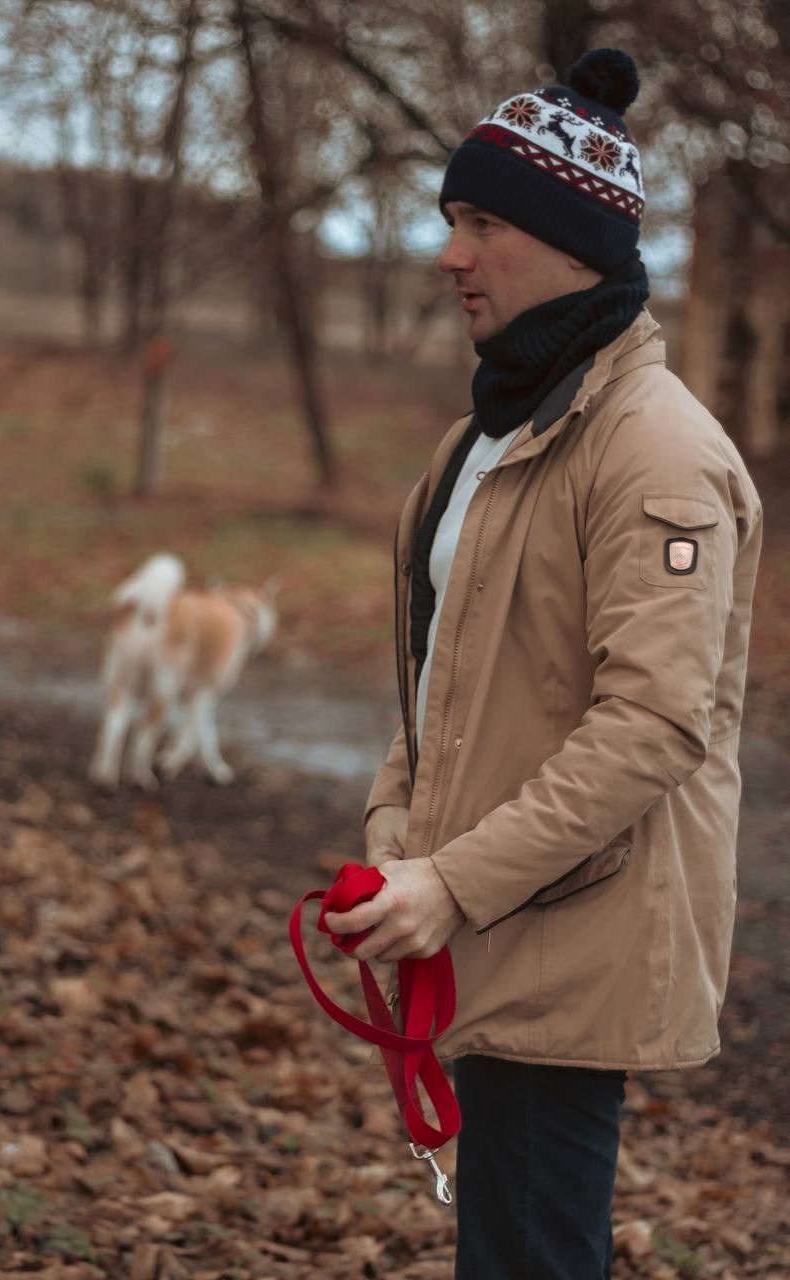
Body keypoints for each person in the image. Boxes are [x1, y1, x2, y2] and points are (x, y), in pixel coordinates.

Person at [323, 47, 763, 1280]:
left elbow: (654, 723)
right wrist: (397, 833)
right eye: (447, 221)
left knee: (529, 1252)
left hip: (567, 934)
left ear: (573, 242)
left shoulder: (657, 454)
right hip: (472, 915)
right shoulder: (489, 432)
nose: (448, 253)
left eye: (480, 222)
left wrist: (450, 884)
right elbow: (436, 669)